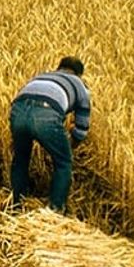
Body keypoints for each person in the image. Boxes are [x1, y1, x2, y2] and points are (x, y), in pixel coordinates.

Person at [9, 56, 92, 212]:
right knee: (64, 163)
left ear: (59, 68)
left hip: (18, 111)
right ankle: (54, 211)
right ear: (79, 74)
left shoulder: (41, 76)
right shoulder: (80, 85)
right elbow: (81, 129)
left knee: (20, 158)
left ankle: (17, 205)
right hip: (46, 114)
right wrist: (68, 146)